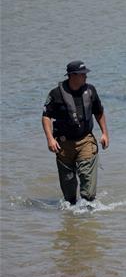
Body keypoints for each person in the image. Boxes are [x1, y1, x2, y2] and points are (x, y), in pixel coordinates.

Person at [41, 61, 109, 205]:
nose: (86, 77)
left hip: (85, 141)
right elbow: (46, 116)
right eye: (83, 74)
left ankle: (87, 215)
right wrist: (50, 139)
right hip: (63, 144)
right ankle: (72, 215)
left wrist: (104, 133)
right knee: (69, 196)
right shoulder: (56, 94)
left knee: (88, 193)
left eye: (86, 74)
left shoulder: (90, 91)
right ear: (72, 76)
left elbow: (99, 112)